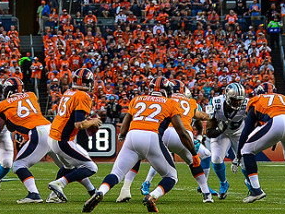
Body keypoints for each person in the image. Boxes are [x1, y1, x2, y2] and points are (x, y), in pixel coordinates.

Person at [82, 78, 197, 212]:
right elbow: (182, 132)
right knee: (171, 177)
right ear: (167, 91)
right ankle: (152, 196)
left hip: (132, 135)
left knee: (116, 173)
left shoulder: (138, 99)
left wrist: (122, 134)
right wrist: (194, 153)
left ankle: (101, 191)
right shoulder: (170, 103)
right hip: (151, 136)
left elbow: (127, 119)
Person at [116, 78, 216, 204]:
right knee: (193, 162)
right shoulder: (191, 102)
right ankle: (206, 194)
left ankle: (127, 188)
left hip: (163, 133)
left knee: (139, 156)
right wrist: (212, 116)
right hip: (183, 135)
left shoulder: (164, 100)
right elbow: (202, 116)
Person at [46, 67, 101, 203]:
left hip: (53, 136)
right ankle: (60, 184)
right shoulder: (82, 96)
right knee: (91, 167)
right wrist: (93, 121)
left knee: (69, 167)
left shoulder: (70, 92)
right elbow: (79, 125)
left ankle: (53, 196)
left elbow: (72, 118)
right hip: (62, 140)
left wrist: (86, 121)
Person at [0, 78, 50, 204]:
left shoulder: (2, 105)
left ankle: (34, 193)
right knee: (67, 164)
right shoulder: (32, 95)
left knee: (19, 165)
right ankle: (91, 190)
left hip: (37, 132)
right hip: (50, 128)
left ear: (7, 90)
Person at [204, 82, 248, 198]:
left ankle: (252, 184)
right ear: (227, 97)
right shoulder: (215, 103)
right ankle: (223, 183)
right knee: (216, 159)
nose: (238, 103)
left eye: (240, 100)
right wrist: (219, 129)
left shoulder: (247, 104)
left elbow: (254, 122)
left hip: (238, 133)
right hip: (221, 133)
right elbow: (209, 132)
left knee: (245, 161)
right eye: (234, 100)